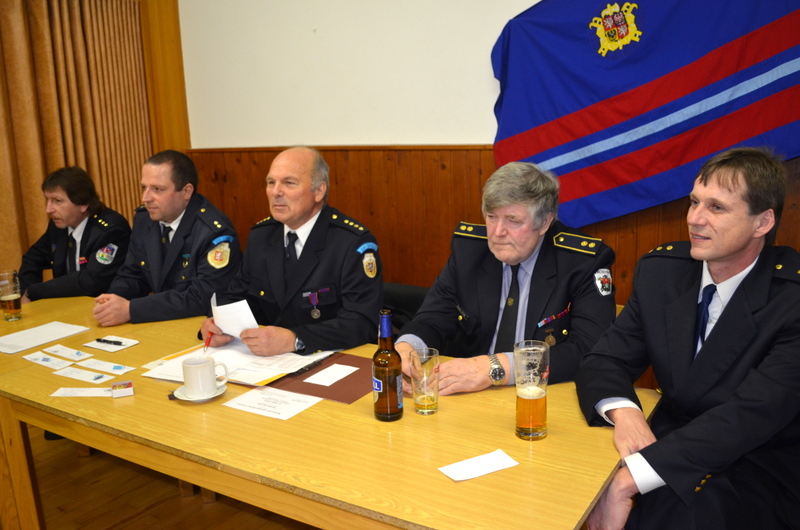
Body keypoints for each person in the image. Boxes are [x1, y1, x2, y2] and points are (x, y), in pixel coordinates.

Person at [576, 147, 800, 530]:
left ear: (762, 222)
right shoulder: (663, 273)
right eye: (694, 202)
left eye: (717, 207)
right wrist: (626, 414)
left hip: (757, 462)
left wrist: (633, 478)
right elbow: (605, 360)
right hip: (668, 440)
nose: (694, 219)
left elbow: (751, 415)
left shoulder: (790, 299)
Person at [396, 161, 616, 395]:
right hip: (468, 394)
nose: (498, 232)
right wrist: (407, 347)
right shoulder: (469, 251)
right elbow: (434, 317)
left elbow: (589, 348)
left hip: (542, 394)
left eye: (513, 220)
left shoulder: (582, 263)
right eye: (492, 217)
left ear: (544, 222)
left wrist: (496, 367)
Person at [200, 146, 383, 356]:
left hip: (330, 357)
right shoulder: (262, 235)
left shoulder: (350, 242)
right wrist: (216, 323)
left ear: (319, 191)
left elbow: (363, 321)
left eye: (289, 183)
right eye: (271, 182)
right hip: (267, 360)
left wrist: (296, 340)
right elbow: (235, 295)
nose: (276, 192)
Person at [93, 150, 241, 325]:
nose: (145, 198)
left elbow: (203, 297)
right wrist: (112, 300)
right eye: (144, 187)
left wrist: (131, 310)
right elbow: (132, 274)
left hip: (199, 326)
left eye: (157, 189)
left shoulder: (214, 231)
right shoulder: (144, 219)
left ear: (186, 191)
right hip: (160, 321)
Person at [19, 166, 130, 302]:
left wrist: (34, 291)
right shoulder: (59, 226)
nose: (48, 209)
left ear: (83, 204)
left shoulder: (110, 231)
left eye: (57, 201)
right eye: (47, 200)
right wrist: (26, 296)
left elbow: (90, 282)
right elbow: (32, 260)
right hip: (67, 308)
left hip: (103, 307)